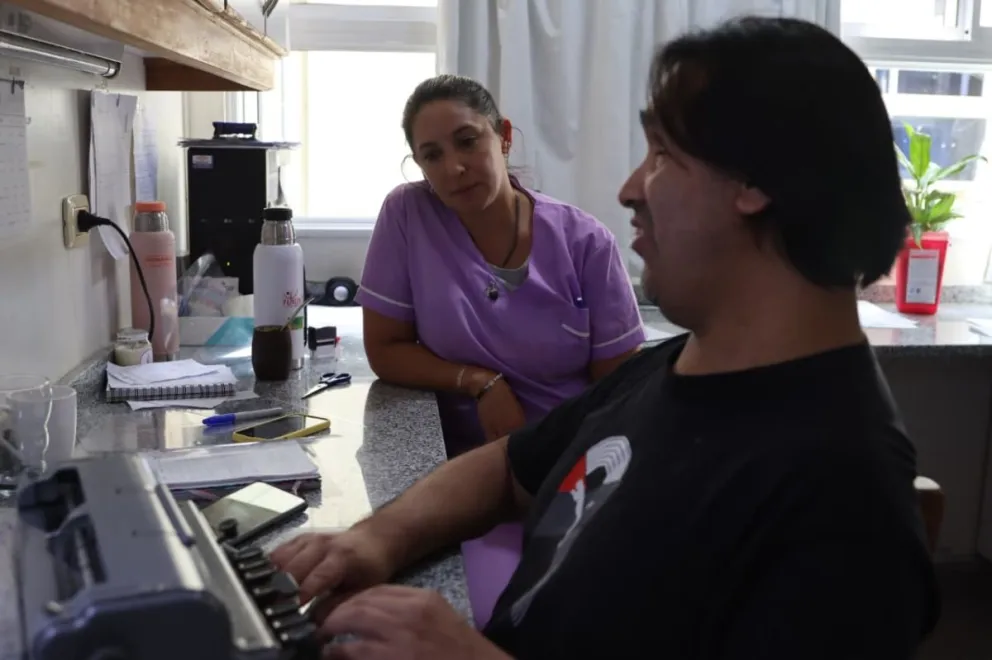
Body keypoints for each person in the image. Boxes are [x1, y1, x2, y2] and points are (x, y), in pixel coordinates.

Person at [272, 16, 940, 659]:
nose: (629, 190)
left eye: (661, 156)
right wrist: (377, 539)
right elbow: (509, 468)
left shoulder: (843, 499)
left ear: (754, 183)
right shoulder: (674, 370)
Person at [352, 75, 645, 626]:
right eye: (431, 155)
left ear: (503, 136)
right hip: (460, 476)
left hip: (562, 468)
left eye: (468, 142)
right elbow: (385, 348)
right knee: (459, 610)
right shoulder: (409, 216)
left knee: (568, 613)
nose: (453, 168)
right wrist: (479, 381)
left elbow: (621, 391)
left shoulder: (584, 242)